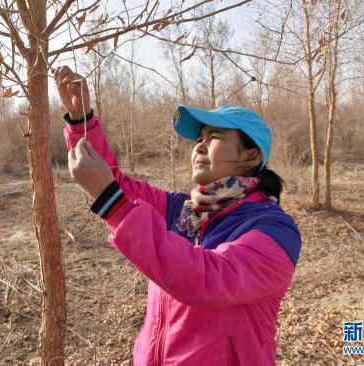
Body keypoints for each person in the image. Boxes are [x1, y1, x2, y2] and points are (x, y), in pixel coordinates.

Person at [55, 65, 302, 366]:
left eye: (214, 137)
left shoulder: (274, 229)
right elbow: (116, 184)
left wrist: (112, 203)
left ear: (251, 155)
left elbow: (208, 278)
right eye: (199, 138)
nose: (199, 145)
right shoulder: (184, 210)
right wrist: (82, 121)